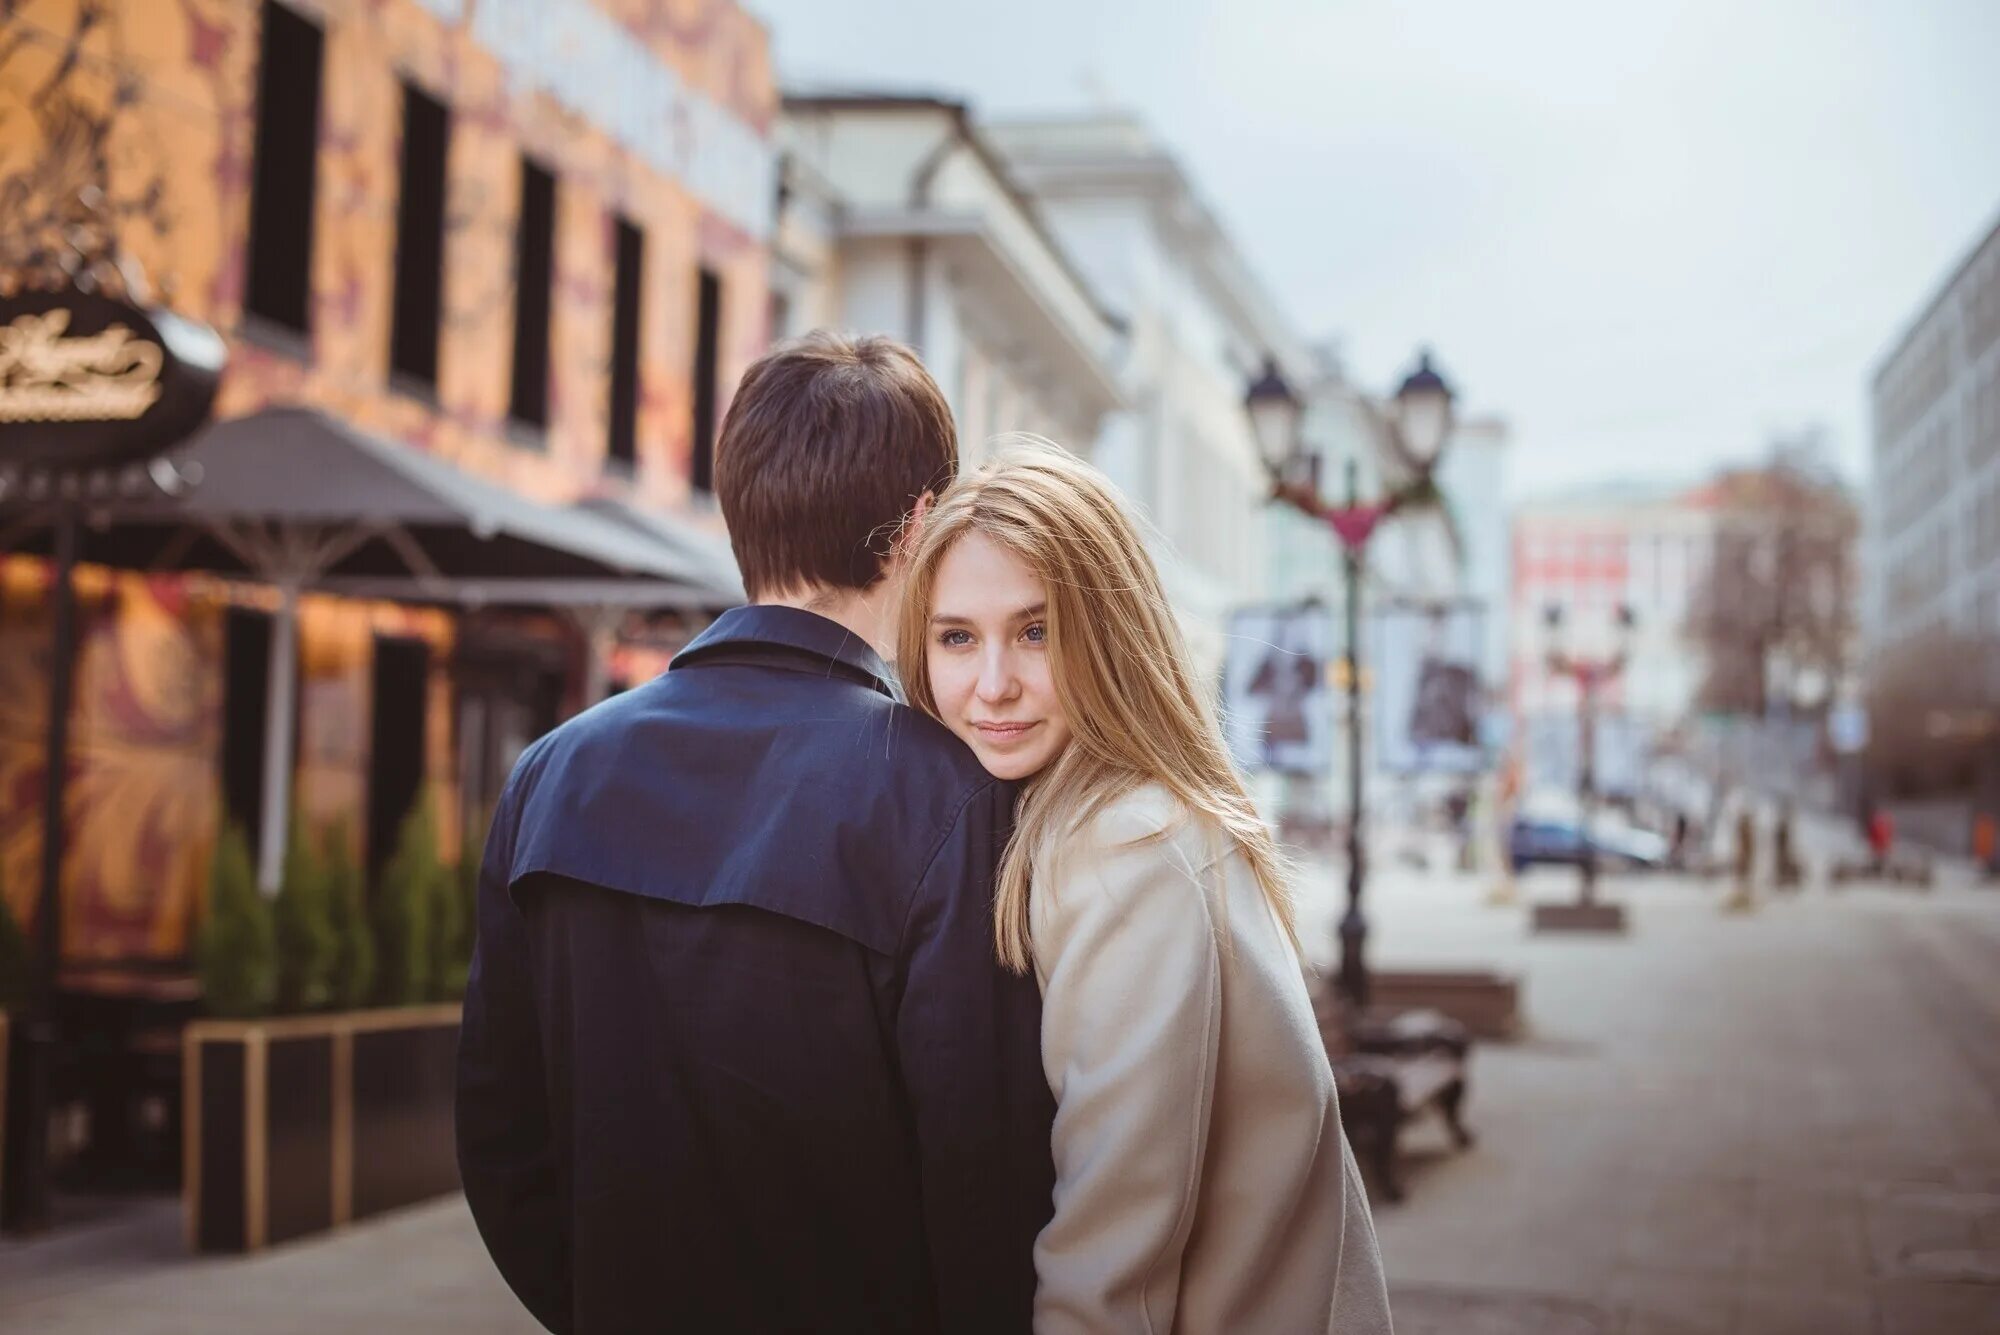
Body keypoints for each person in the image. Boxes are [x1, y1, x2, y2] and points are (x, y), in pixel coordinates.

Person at [456, 333, 1055, 1334]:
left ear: (741, 506)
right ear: (919, 526)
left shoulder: (549, 776)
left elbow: (499, 1138)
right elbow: (984, 1183)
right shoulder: (944, 796)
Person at [897, 441, 1393, 1334]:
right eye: (957, 637)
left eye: (1037, 630)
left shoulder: (1128, 849)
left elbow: (1112, 1262)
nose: (994, 682)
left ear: (1108, 634)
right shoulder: (1120, 815)